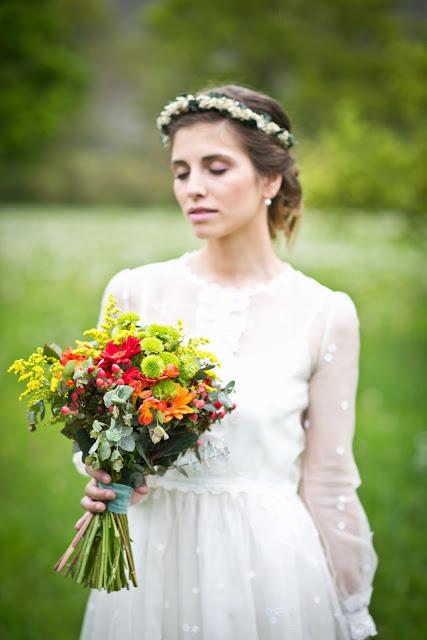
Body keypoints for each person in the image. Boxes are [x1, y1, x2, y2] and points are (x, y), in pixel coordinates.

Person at [73, 85, 378, 640]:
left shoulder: (325, 313)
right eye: (181, 171)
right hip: (152, 560)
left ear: (270, 179)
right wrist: (106, 476)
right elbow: (102, 435)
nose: (194, 188)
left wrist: (351, 606)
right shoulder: (134, 292)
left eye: (216, 168)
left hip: (268, 565)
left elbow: (330, 480)